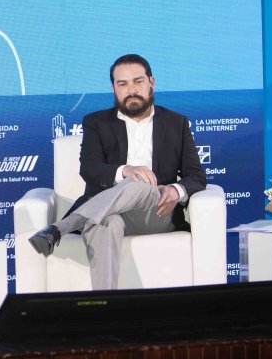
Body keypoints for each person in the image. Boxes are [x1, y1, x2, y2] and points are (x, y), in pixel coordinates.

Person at [28, 54, 205, 289]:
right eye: (122, 84)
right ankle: (106, 306)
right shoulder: (97, 123)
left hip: (157, 210)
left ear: (151, 82)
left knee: (139, 184)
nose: (131, 89)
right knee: (106, 222)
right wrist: (125, 171)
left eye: (138, 81)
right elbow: (89, 169)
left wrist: (175, 190)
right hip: (109, 211)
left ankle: (60, 229)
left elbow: (197, 176)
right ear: (113, 88)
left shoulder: (176, 123)